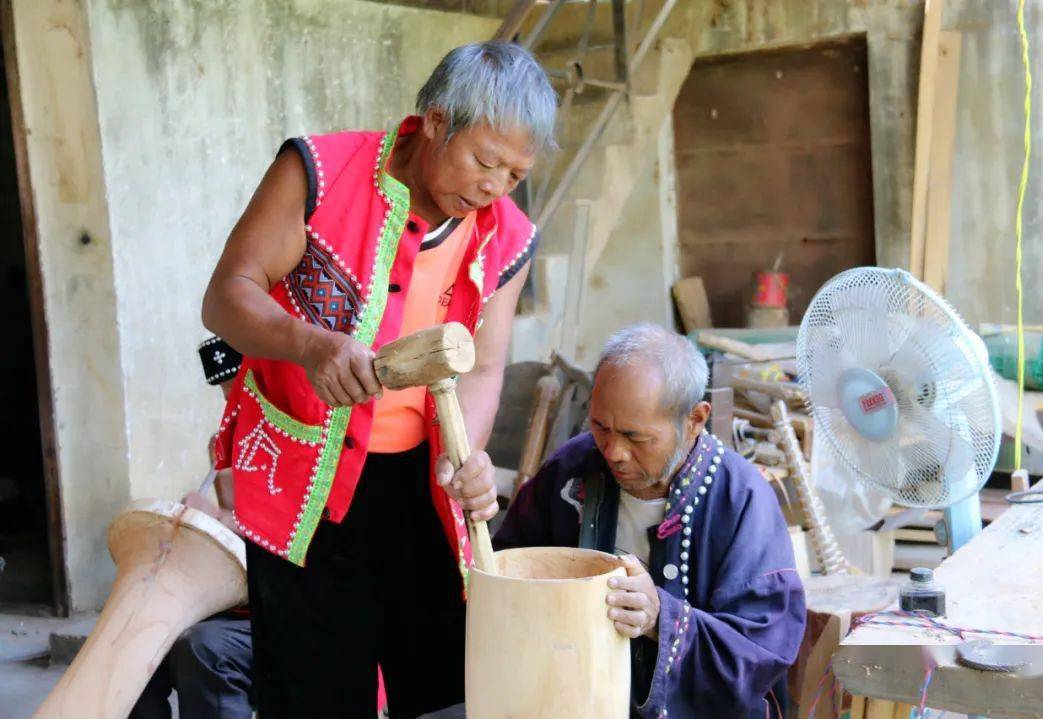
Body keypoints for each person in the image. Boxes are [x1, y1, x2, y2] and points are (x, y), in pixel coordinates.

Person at [201, 41, 556, 719]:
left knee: (444, 680)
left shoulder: (506, 235)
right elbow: (227, 295)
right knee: (312, 685)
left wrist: (466, 455)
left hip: (420, 484)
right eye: (484, 160)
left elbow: (482, 364)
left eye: (515, 173)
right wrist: (309, 344)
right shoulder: (320, 173)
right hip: (305, 478)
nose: (493, 187)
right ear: (433, 119)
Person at [495, 324, 807, 719]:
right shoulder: (571, 470)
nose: (614, 452)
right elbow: (510, 570)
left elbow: (760, 654)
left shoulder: (741, 499)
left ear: (694, 419)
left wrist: (662, 618)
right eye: (600, 428)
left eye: (635, 437)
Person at [130, 337, 252, 719]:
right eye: (226, 396)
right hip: (237, 595)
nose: (231, 406)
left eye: (240, 394)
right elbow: (235, 527)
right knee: (136, 638)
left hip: (289, 602)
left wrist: (214, 519)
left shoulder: (308, 436)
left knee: (202, 647)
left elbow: (284, 533)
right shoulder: (228, 443)